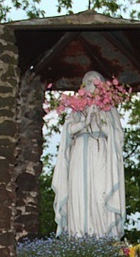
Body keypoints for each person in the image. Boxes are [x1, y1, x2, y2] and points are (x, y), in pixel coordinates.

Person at [52, 70, 126, 238]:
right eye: (87, 82)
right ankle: (78, 239)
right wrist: (84, 123)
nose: (91, 86)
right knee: (78, 194)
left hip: (99, 155)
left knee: (99, 193)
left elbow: (118, 137)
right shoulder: (76, 110)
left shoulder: (109, 109)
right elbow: (68, 132)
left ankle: (100, 238)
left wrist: (100, 126)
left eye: (94, 82)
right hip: (79, 154)